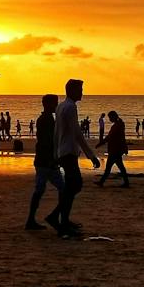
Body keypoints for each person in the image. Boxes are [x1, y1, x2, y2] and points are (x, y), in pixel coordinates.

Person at [50, 79, 99, 238]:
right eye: (80, 89)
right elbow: (77, 133)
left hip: (63, 152)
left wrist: (55, 152)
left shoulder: (60, 106)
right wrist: (91, 155)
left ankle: (62, 219)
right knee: (75, 185)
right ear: (72, 91)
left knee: (72, 186)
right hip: (69, 152)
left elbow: (56, 132)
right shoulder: (70, 107)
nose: (82, 92)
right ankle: (59, 220)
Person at [25, 94, 64, 230]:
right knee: (63, 190)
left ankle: (31, 220)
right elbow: (48, 142)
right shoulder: (47, 120)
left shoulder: (44, 119)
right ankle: (57, 218)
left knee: (39, 190)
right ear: (48, 104)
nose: (57, 106)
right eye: (55, 103)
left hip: (42, 160)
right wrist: (54, 159)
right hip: (46, 161)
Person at [95, 109, 129, 187]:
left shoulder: (116, 126)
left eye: (110, 118)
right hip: (117, 149)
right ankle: (126, 182)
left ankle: (101, 182)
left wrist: (100, 143)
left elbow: (109, 137)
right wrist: (125, 148)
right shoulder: (119, 125)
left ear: (113, 117)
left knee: (110, 167)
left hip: (115, 150)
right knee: (119, 166)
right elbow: (122, 138)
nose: (109, 119)